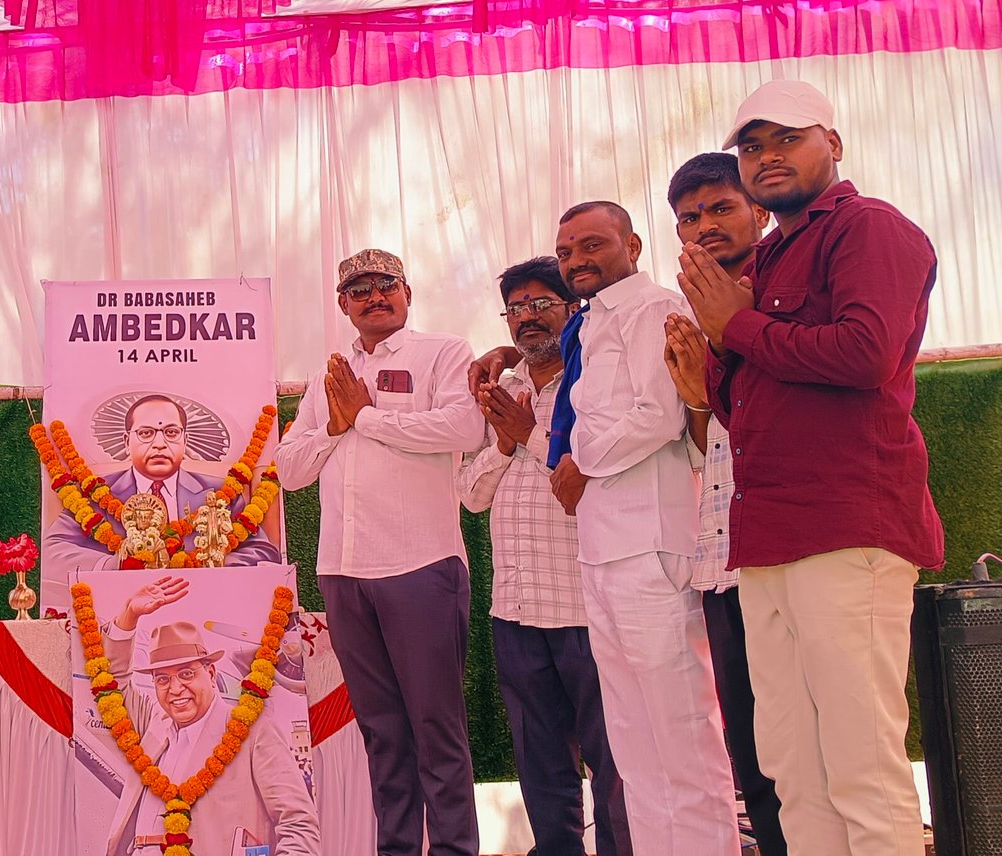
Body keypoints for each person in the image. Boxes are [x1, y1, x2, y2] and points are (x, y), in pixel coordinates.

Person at [679, 79, 942, 856]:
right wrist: (714, 355)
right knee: (795, 774)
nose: (767, 156)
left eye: (787, 138)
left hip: (846, 528)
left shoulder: (869, 228)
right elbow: (748, 409)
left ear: (834, 143)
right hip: (765, 539)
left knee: (862, 769)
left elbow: (866, 354)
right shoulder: (763, 259)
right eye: (752, 146)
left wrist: (739, 326)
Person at [278, 248, 485, 855]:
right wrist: (334, 426)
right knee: (382, 732)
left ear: (407, 293)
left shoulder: (442, 352)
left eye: (386, 284)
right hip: (343, 571)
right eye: (360, 289)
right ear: (343, 304)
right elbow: (289, 469)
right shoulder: (331, 374)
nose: (375, 297)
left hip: (420, 565)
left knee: (436, 727)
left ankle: (453, 849)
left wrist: (366, 419)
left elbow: (464, 428)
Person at [547, 202, 738, 855]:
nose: (577, 260)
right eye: (566, 251)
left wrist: (580, 459)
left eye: (591, 245)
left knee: (681, 733)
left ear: (631, 244)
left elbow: (659, 416)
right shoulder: (590, 324)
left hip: (651, 545)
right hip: (601, 550)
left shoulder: (655, 309)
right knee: (633, 744)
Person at [457, 257, 631, 856]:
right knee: (539, 757)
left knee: (610, 756)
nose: (527, 317)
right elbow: (471, 495)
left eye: (541, 304)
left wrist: (530, 435)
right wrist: (505, 443)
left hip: (584, 604)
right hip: (517, 608)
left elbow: (593, 482)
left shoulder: (592, 385)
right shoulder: (501, 391)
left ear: (572, 308)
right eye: (516, 308)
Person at [660, 152, 787, 855]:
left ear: (758, 211)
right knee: (753, 754)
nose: (704, 226)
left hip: (790, 551)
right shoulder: (680, 311)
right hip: (719, 553)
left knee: (811, 742)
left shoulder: (785, 287)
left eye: (720, 208)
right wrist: (696, 397)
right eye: (689, 217)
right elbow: (704, 440)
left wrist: (730, 336)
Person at [101, 576, 319, 856]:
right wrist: (129, 616)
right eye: (162, 679)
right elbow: (113, 684)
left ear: (211, 673)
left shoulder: (253, 733)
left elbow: (298, 824)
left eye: (186, 674)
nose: (175, 689)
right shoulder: (152, 727)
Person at [43, 392, 282, 569]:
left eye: (171, 432)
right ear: (127, 442)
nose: (159, 444)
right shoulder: (98, 493)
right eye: (146, 433)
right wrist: (117, 565)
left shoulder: (217, 494)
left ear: (185, 440)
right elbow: (54, 550)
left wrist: (208, 565)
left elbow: (263, 551)